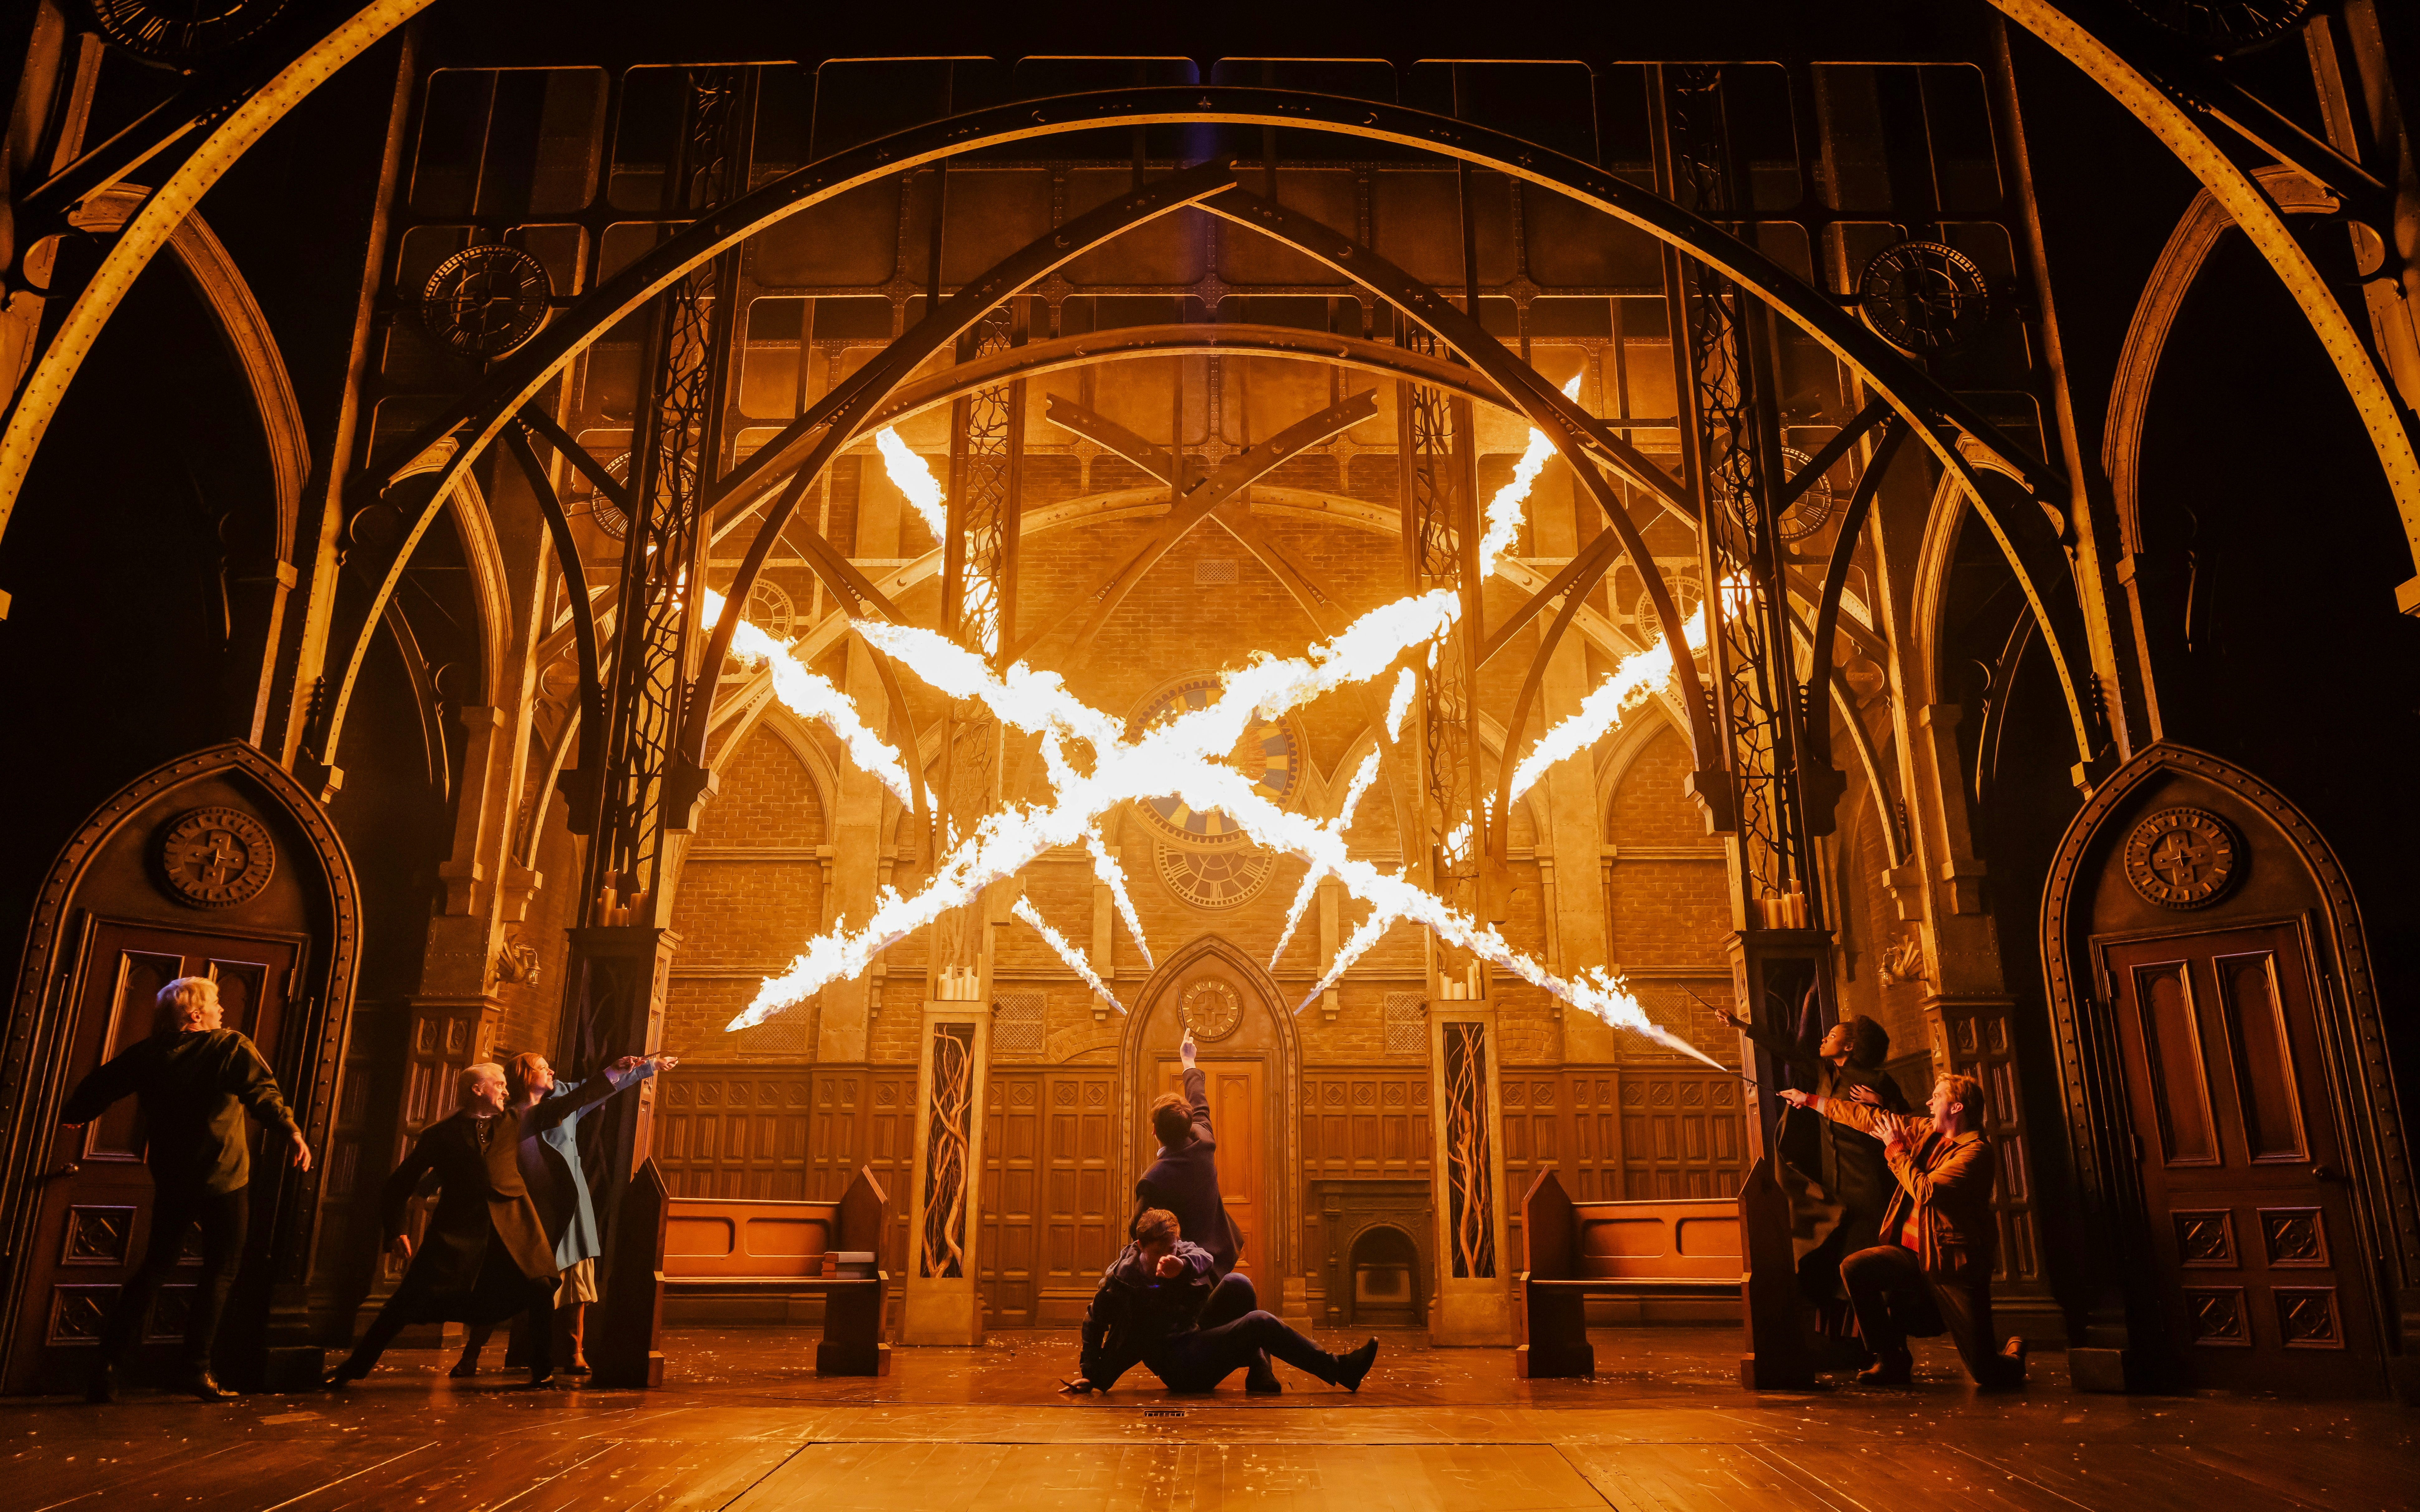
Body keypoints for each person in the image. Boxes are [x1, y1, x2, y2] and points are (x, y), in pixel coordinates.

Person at [60, 976, 312, 1403]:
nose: (222, 1012)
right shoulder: (228, 1045)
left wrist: (77, 1113)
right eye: (216, 1004)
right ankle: (195, 1370)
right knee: (221, 1270)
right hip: (225, 1176)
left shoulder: (149, 1053)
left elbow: (102, 1083)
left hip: (174, 1179)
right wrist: (291, 1130)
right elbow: (262, 1092)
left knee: (155, 1268)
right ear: (196, 1015)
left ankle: (106, 1366)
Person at [328, 1056, 649, 1389]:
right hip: (459, 1228)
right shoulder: (440, 1135)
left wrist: (615, 1072)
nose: (505, 1090)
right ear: (476, 1089)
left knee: (540, 1286)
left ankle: (542, 1371)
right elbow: (399, 1183)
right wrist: (395, 1230)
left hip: (515, 1221)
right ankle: (351, 1369)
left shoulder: (513, 1120)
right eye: (499, 1085)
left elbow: (569, 1102)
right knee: (406, 1301)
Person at [1780, 1073, 2027, 1388]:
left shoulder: (1975, 1152)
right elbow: (1868, 1117)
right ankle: (1891, 1358)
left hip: (1950, 1263)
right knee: (1856, 1267)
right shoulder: (1927, 1130)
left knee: (1986, 1373)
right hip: (1912, 1252)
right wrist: (1810, 1099)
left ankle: (2014, 1353)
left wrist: (1896, 1150)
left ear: (1956, 1107)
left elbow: (1926, 1191)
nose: (1929, 1101)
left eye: (1936, 1096)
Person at [451, 1048, 675, 1377]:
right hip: (525, 1206)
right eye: (543, 1068)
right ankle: (471, 1354)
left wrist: (648, 1066)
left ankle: (574, 1353)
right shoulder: (504, 1114)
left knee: (575, 1280)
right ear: (526, 1076)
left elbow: (599, 1087)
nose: (552, 1071)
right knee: (502, 1279)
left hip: (566, 1205)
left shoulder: (566, 1100)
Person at [1714, 1001, 1908, 1344]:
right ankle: (1840, 1339)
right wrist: (1741, 1024)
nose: (1823, 1038)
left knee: (1862, 1256)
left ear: (1849, 1045)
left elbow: (1907, 1122)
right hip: (1834, 1179)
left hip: (1868, 1180)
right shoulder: (1824, 1072)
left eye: (1832, 1035)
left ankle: (1879, 1343)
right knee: (1833, 1258)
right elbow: (1786, 1050)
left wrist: (1882, 1101)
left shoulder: (1878, 1079)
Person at [1059, 1208, 1377, 1398]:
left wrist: (1181, 1265)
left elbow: (1205, 1257)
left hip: (1191, 1334)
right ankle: (1340, 1369)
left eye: (1174, 1246)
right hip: (1181, 1367)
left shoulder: (1176, 1252)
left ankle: (1260, 1372)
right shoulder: (1122, 1282)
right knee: (1259, 1322)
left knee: (1238, 1283)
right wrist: (1091, 1372)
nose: (1170, 1253)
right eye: (1161, 1250)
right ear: (1141, 1246)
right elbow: (1094, 1321)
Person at [1135, 1027, 1279, 1390]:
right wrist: (1189, 1061)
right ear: (1188, 1127)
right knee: (1238, 1302)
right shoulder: (1204, 1142)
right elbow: (1199, 1103)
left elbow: (1136, 1228)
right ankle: (1261, 1367)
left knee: (1206, 1321)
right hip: (1222, 1251)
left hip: (1186, 1267)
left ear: (1154, 1132)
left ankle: (1249, 1363)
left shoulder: (1154, 1178)